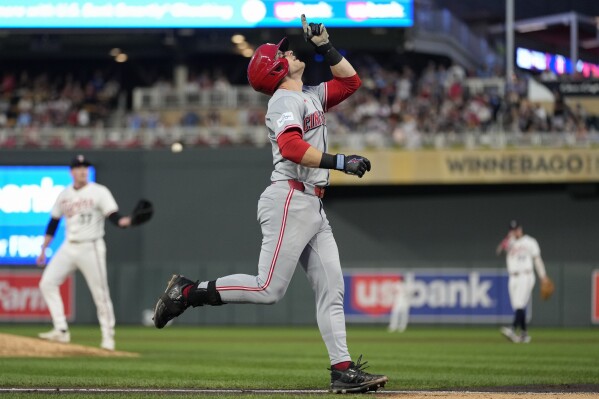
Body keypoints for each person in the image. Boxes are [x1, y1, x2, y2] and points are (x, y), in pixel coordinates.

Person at [152, 15, 388, 394]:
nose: (289, 51)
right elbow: (293, 147)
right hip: (290, 197)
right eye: (281, 52)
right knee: (268, 289)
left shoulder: (308, 94)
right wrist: (341, 162)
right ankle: (187, 293)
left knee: (332, 288)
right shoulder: (282, 101)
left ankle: (342, 370)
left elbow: (350, 82)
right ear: (276, 67)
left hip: (312, 203)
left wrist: (326, 48)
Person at [36, 154, 132, 351]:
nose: (82, 170)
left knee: (100, 293)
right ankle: (61, 330)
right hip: (69, 246)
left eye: (85, 167)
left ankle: (108, 337)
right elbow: (53, 222)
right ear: (72, 172)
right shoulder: (64, 194)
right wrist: (44, 249)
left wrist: (123, 222)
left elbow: (113, 215)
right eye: (79, 167)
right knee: (47, 283)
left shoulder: (99, 191)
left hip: (92, 246)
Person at [496, 220, 550, 344]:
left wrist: (543, 276)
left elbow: (537, 260)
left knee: (520, 304)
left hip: (526, 275)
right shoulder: (509, 243)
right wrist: (507, 240)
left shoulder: (530, 242)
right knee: (517, 306)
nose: (515, 231)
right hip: (513, 276)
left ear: (520, 229)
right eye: (512, 229)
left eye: (516, 229)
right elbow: (498, 251)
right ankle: (524, 335)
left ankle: (512, 329)